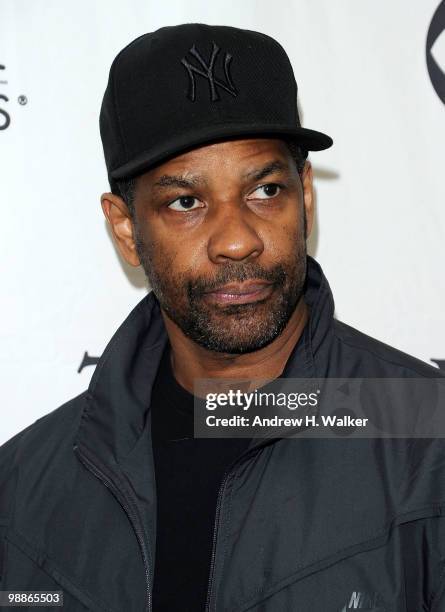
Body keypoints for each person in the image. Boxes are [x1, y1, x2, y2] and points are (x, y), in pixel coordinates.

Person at [1, 23, 444, 612]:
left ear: (305, 195)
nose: (236, 241)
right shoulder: (23, 489)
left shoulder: (427, 438)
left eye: (264, 191)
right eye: (186, 202)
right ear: (126, 229)